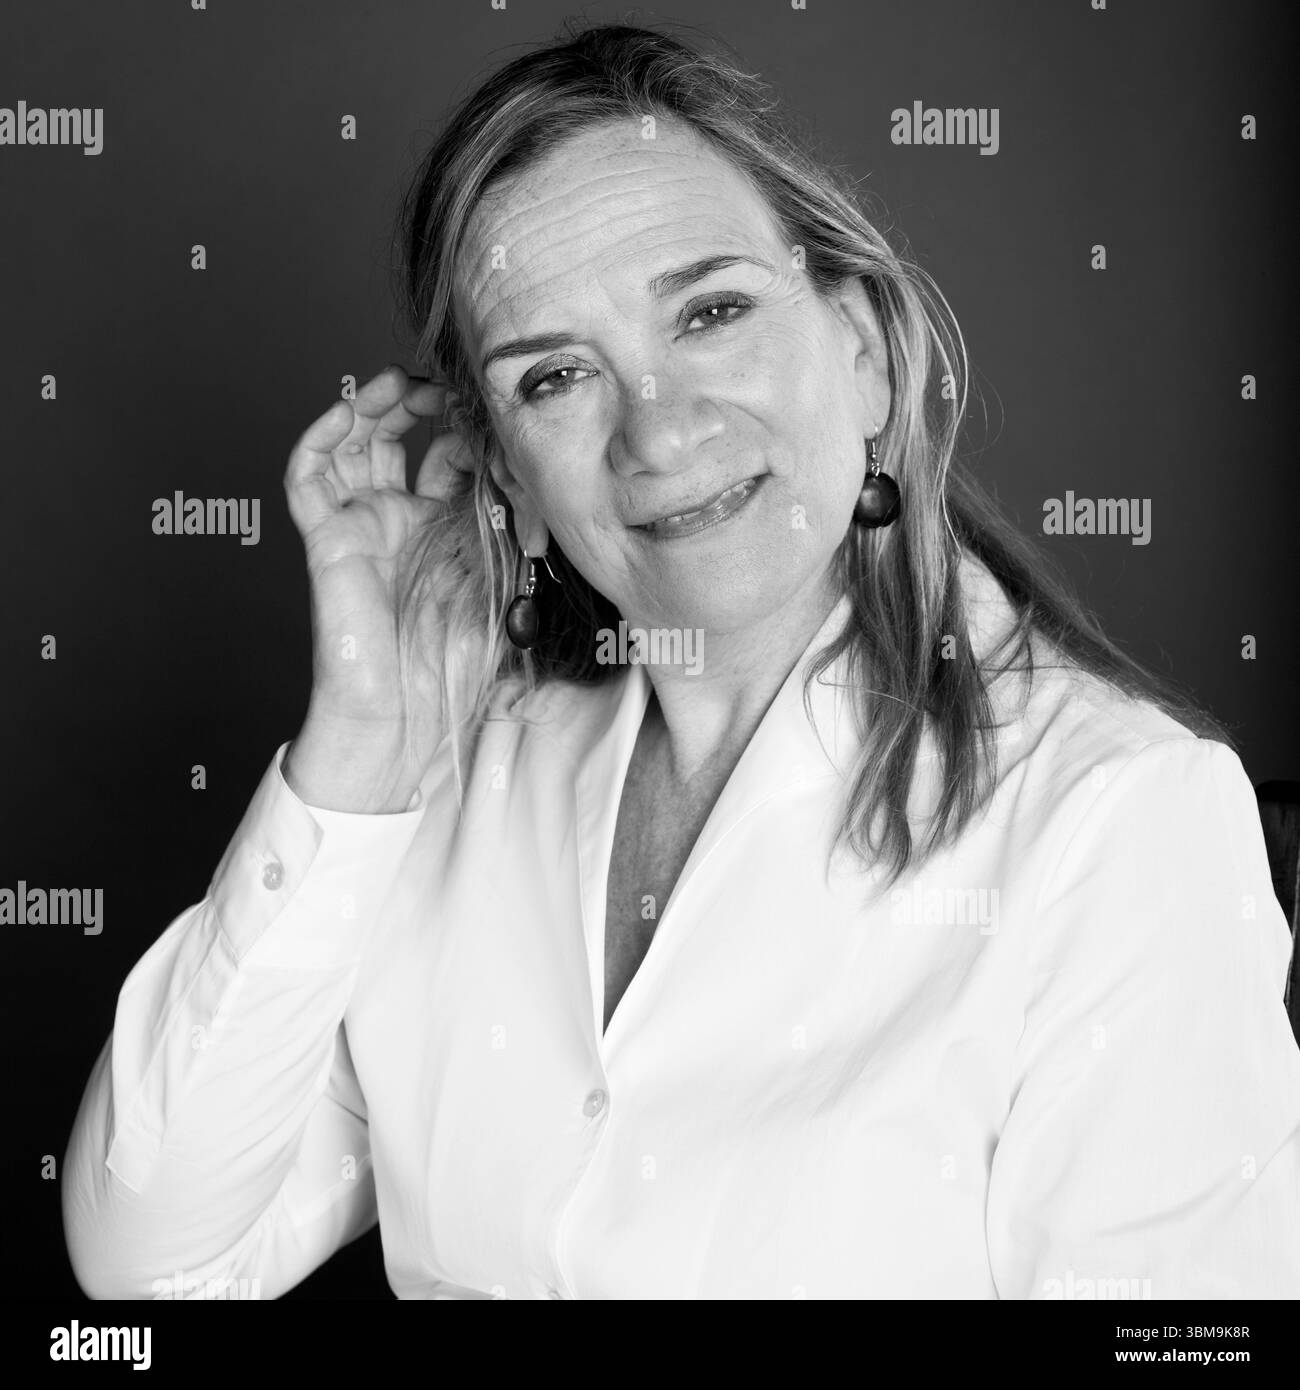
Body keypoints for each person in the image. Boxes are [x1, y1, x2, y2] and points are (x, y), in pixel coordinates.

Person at [63, 21, 1300, 1300]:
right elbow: (154, 1264)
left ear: (864, 356)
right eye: (555, 377)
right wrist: (362, 744)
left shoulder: (1120, 819)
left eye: (709, 311)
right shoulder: (455, 780)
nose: (659, 429)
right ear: (512, 485)